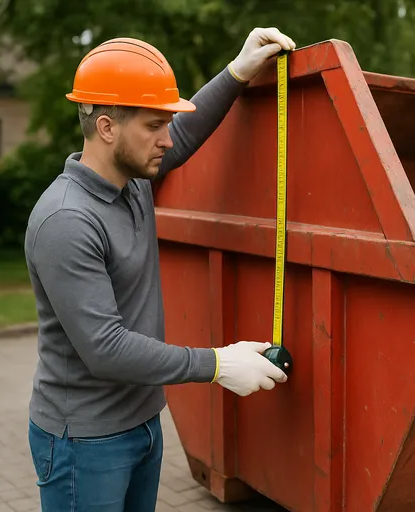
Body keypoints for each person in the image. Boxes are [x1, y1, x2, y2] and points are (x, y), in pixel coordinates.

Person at [24, 27, 296, 511]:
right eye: (154, 126)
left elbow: (187, 133)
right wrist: (217, 364)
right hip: (85, 443)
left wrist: (237, 70)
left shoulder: (132, 182)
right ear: (107, 127)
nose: (167, 140)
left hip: (142, 423)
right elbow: (105, 349)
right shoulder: (66, 219)